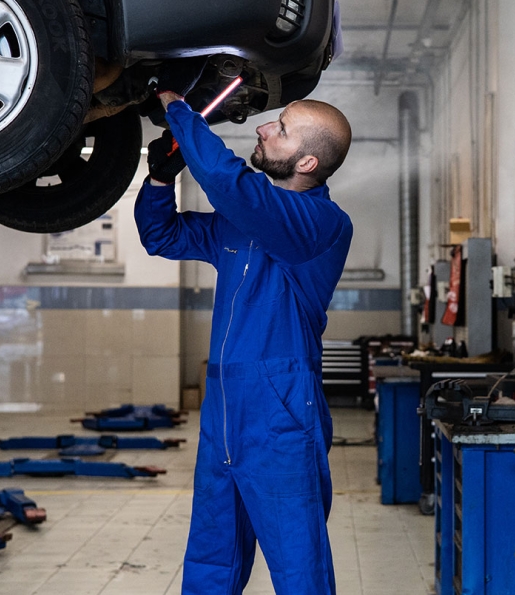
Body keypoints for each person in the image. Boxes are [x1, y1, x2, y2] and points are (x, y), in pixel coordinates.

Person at [134, 89, 353, 595]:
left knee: (298, 564)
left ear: (308, 161)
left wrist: (179, 110)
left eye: (280, 127)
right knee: (212, 554)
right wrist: (160, 180)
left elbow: (228, 184)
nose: (262, 129)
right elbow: (162, 237)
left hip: (280, 413)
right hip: (224, 410)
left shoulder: (321, 224)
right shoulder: (243, 221)